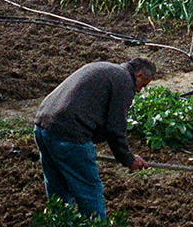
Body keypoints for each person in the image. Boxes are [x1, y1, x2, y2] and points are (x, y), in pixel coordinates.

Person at [33, 58, 155, 217]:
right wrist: (128, 159)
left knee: (58, 190)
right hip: (69, 134)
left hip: (43, 125)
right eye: (143, 85)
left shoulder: (104, 68)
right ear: (138, 75)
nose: (139, 90)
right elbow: (115, 129)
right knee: (90, 192)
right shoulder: (124, 82)